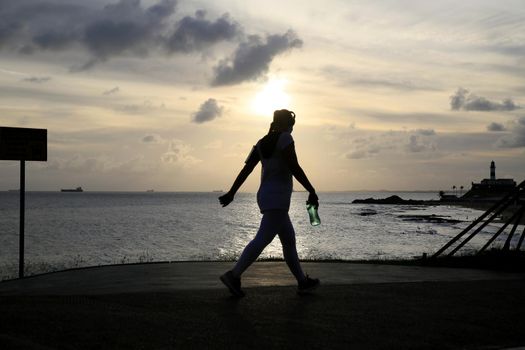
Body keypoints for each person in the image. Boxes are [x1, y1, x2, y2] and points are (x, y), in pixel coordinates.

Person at [218, 109, 320, 297]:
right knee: (263, 239)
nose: (292, 129)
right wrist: (311, 189)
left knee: (289, 241)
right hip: (278, 198)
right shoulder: (285, 139)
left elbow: (246, 170)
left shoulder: (261, 142)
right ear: (287, 124)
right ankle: (234, 275)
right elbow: (294, 166)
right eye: (292, 125)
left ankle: (303, 282)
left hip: (267, 195)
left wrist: (232, 192)